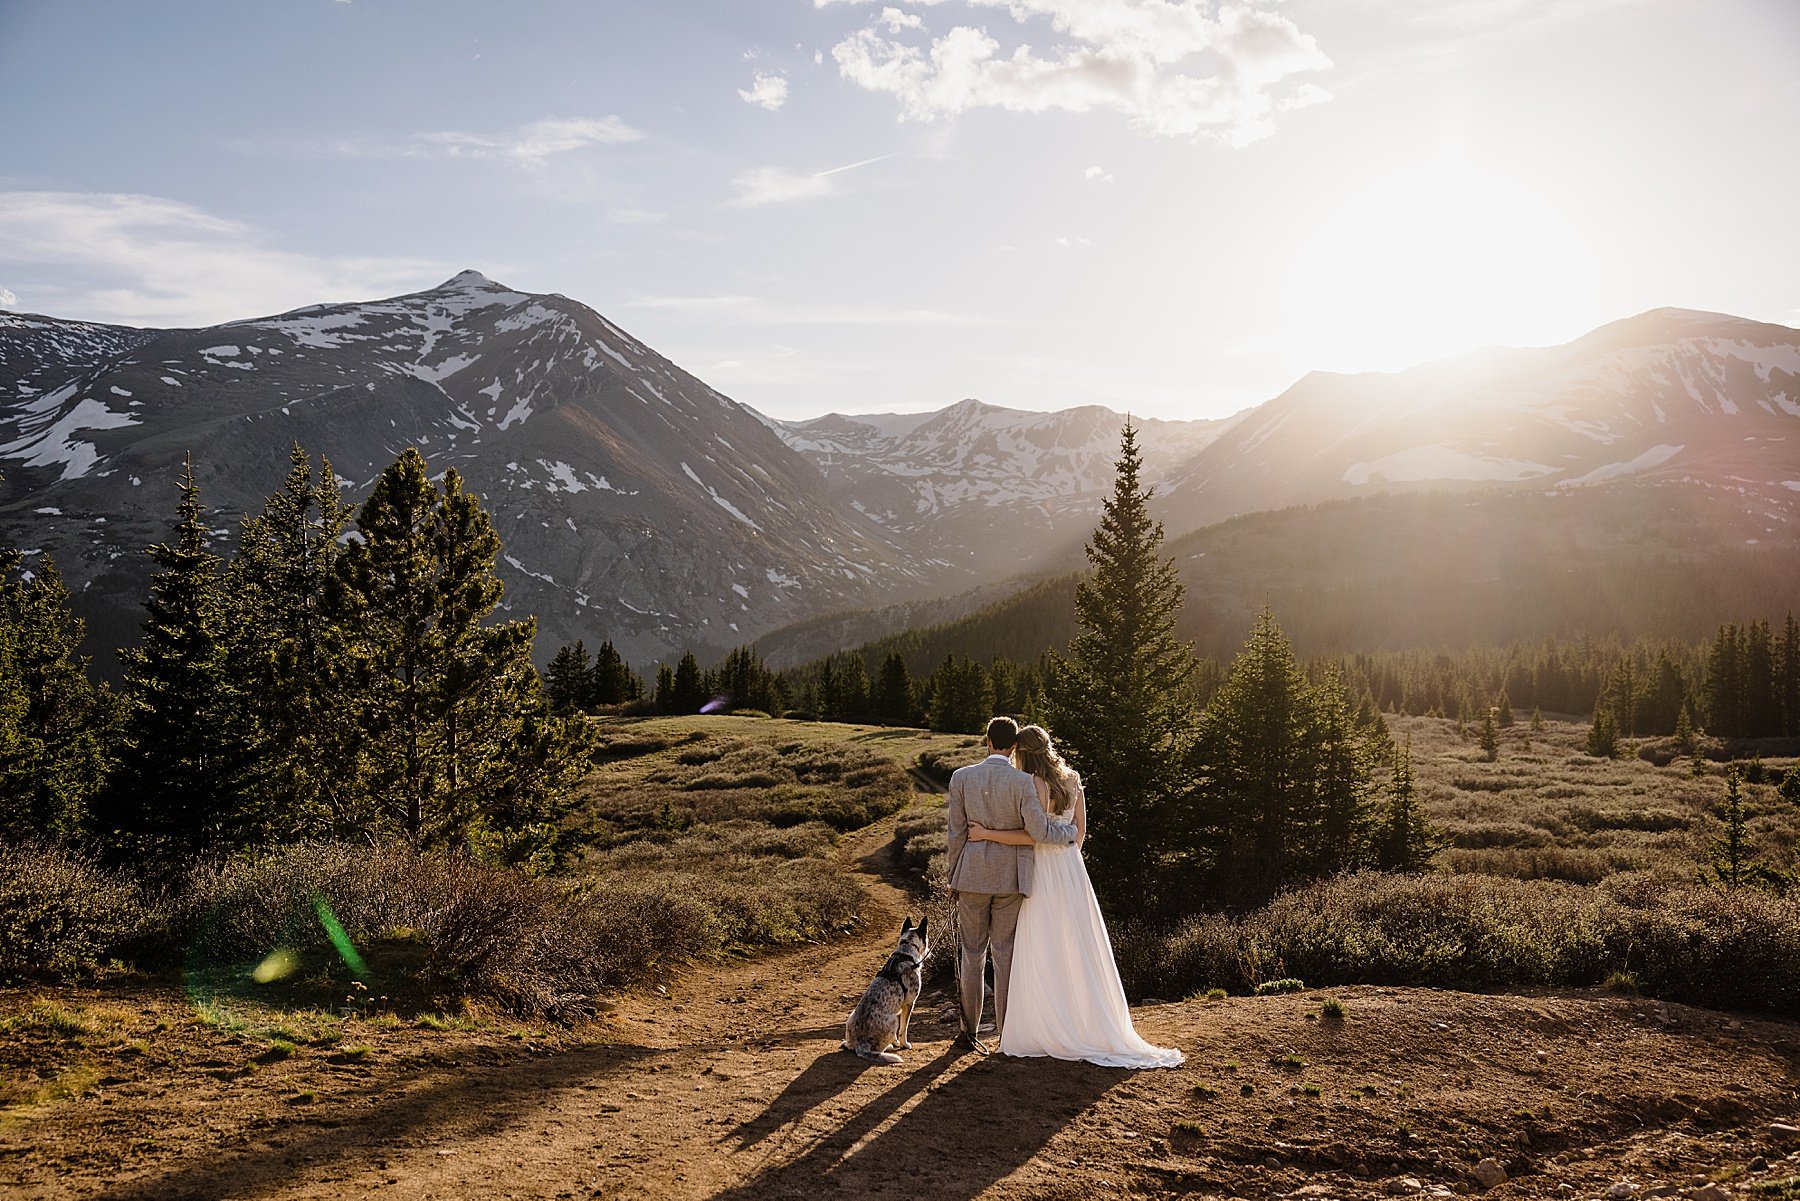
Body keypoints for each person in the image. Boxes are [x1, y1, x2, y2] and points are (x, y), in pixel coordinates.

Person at [967, 723, 1184, 1069]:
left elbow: (1032, 836)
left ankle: (1043, 1025)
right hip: (1071, 869)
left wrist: (986, 833)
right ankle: (1082, 1018)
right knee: (1074, 942)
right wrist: (1068, 857)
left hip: (1042, 870)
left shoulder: (1033, 783)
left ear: (1022, 753)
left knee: (1040, 944)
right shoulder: (1072, 778)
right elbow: (1079, 831)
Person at [944, 716, 1080, 1054]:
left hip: (972, 876)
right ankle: (1007, 1035)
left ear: (987, 741)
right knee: (1005, 957)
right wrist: (1071, 833)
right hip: (1011, 880)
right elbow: (1039, 832)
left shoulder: (961, 778)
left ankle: (968, 1032)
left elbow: (955, 833)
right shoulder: (1023, 782)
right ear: (1014, 746)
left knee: (971, 955)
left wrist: (952, 876)